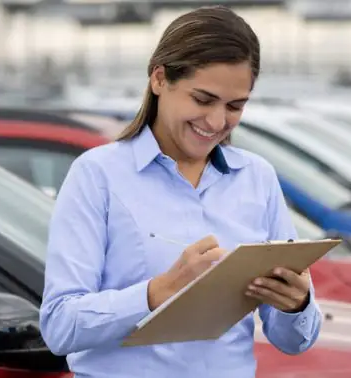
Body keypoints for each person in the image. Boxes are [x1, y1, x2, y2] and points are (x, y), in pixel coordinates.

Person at [38, 5, 321, 377]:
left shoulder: (258, 178)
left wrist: (296, 305)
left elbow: (293, 341)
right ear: (159, 79)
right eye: (202, 100)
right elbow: (60, 327)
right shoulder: (97, 176)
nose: (218, 121)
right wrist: (159, 291)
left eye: (235, 106)